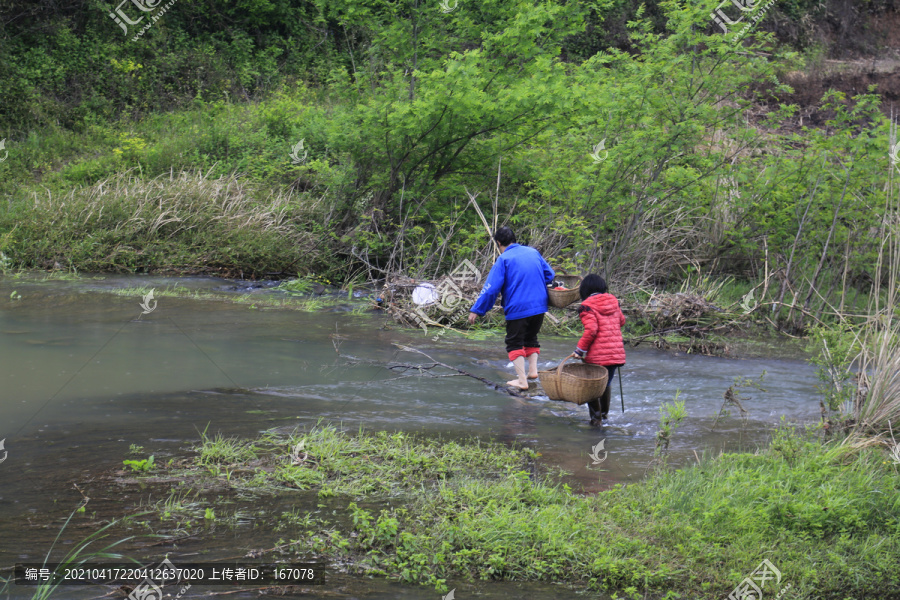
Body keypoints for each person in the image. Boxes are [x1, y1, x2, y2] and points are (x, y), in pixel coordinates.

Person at [468, 227, 555, 389]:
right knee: (531, 338)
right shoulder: (533, 252)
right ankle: (532, 372)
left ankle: (522, 381)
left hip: (518, 308)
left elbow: (491, 289)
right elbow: (549, 274)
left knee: (514, 343)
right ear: (514, 239)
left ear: (499, 243)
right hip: (539, 306)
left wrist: (477, 310)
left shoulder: (503, 259)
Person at [572, 274, 626, 425]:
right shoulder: (614, 301)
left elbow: (591, 330)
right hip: (615, 354)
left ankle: (596, 420)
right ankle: (604, 415)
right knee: (606, 384)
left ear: (585, 290)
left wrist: (579, 350)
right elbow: (622, 321)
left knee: (592, 386)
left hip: (597, 356)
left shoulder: (587, 306)